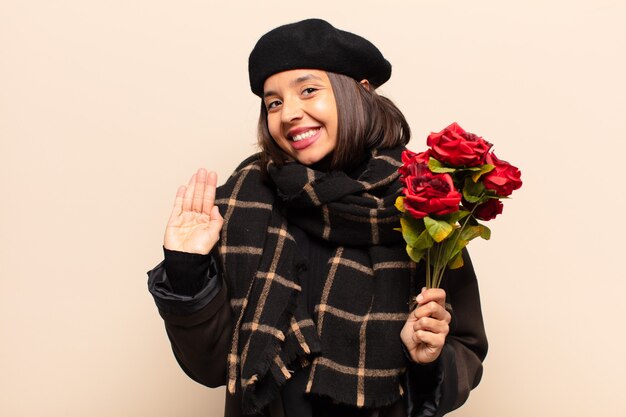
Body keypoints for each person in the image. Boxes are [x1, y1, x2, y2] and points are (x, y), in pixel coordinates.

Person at [148, 18, 487, 417]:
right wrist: (187, 267)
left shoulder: (420, 204)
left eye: (308, 90)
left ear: (359, 93)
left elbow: (466, 350)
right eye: (274, 102)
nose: (289, 113)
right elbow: (210, 367)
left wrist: (426, 359)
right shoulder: (242, 201)